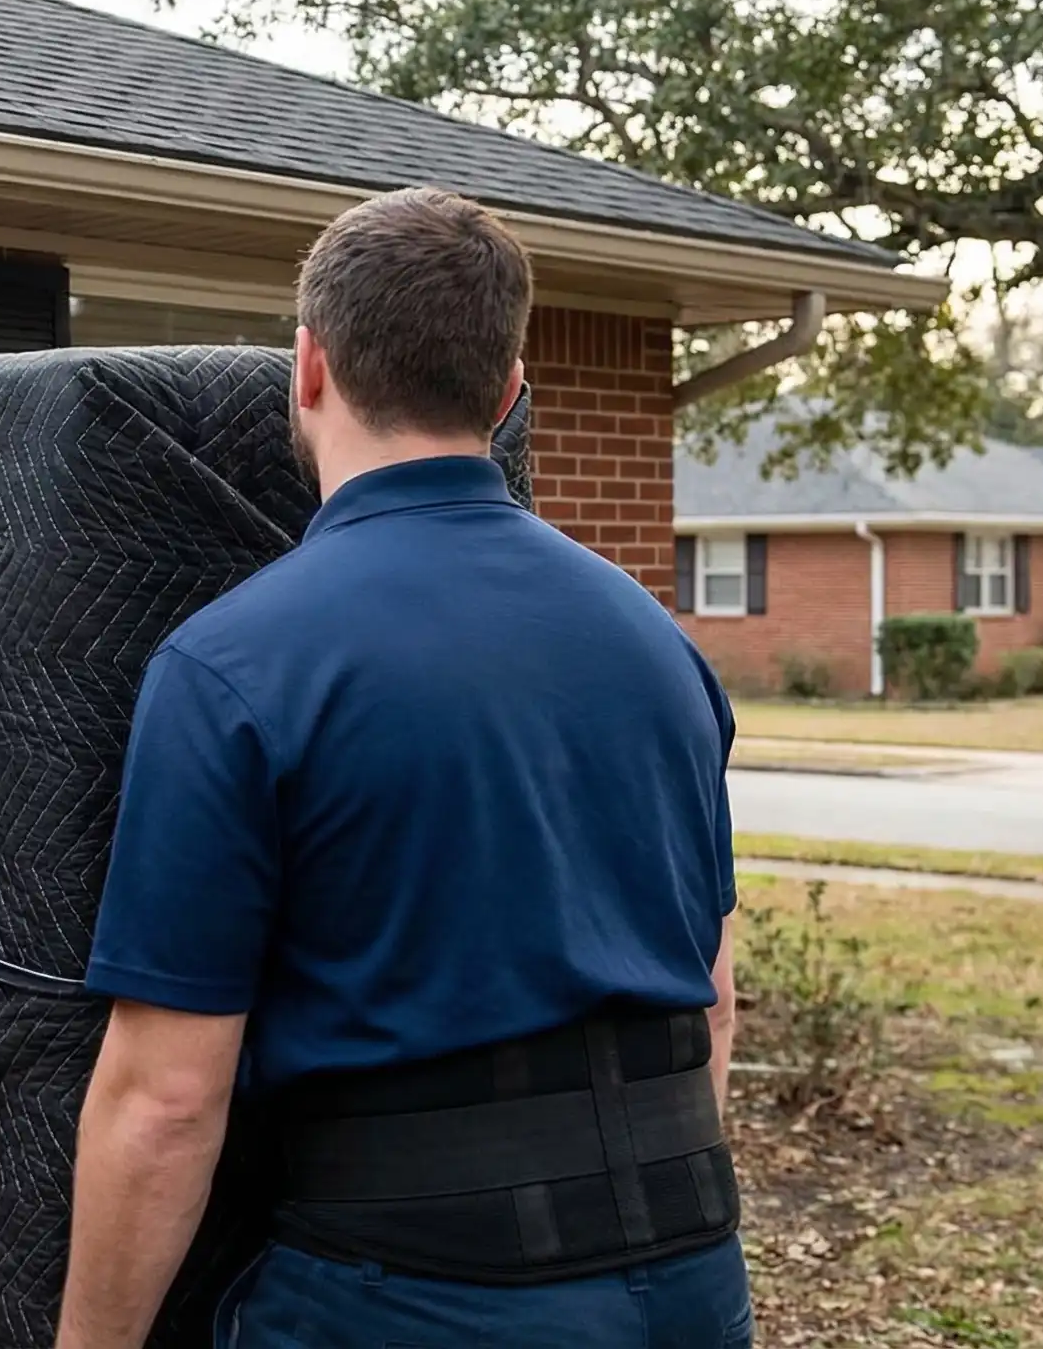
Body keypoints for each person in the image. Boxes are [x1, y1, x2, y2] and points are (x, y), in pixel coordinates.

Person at [57, 189, 749, 1349]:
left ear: (310, 368)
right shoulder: (659, 647)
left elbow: (167, 1098)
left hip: (411, 1297)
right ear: (510, 387)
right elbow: (713, 1003)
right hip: (691, 1281)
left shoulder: (235, 664)